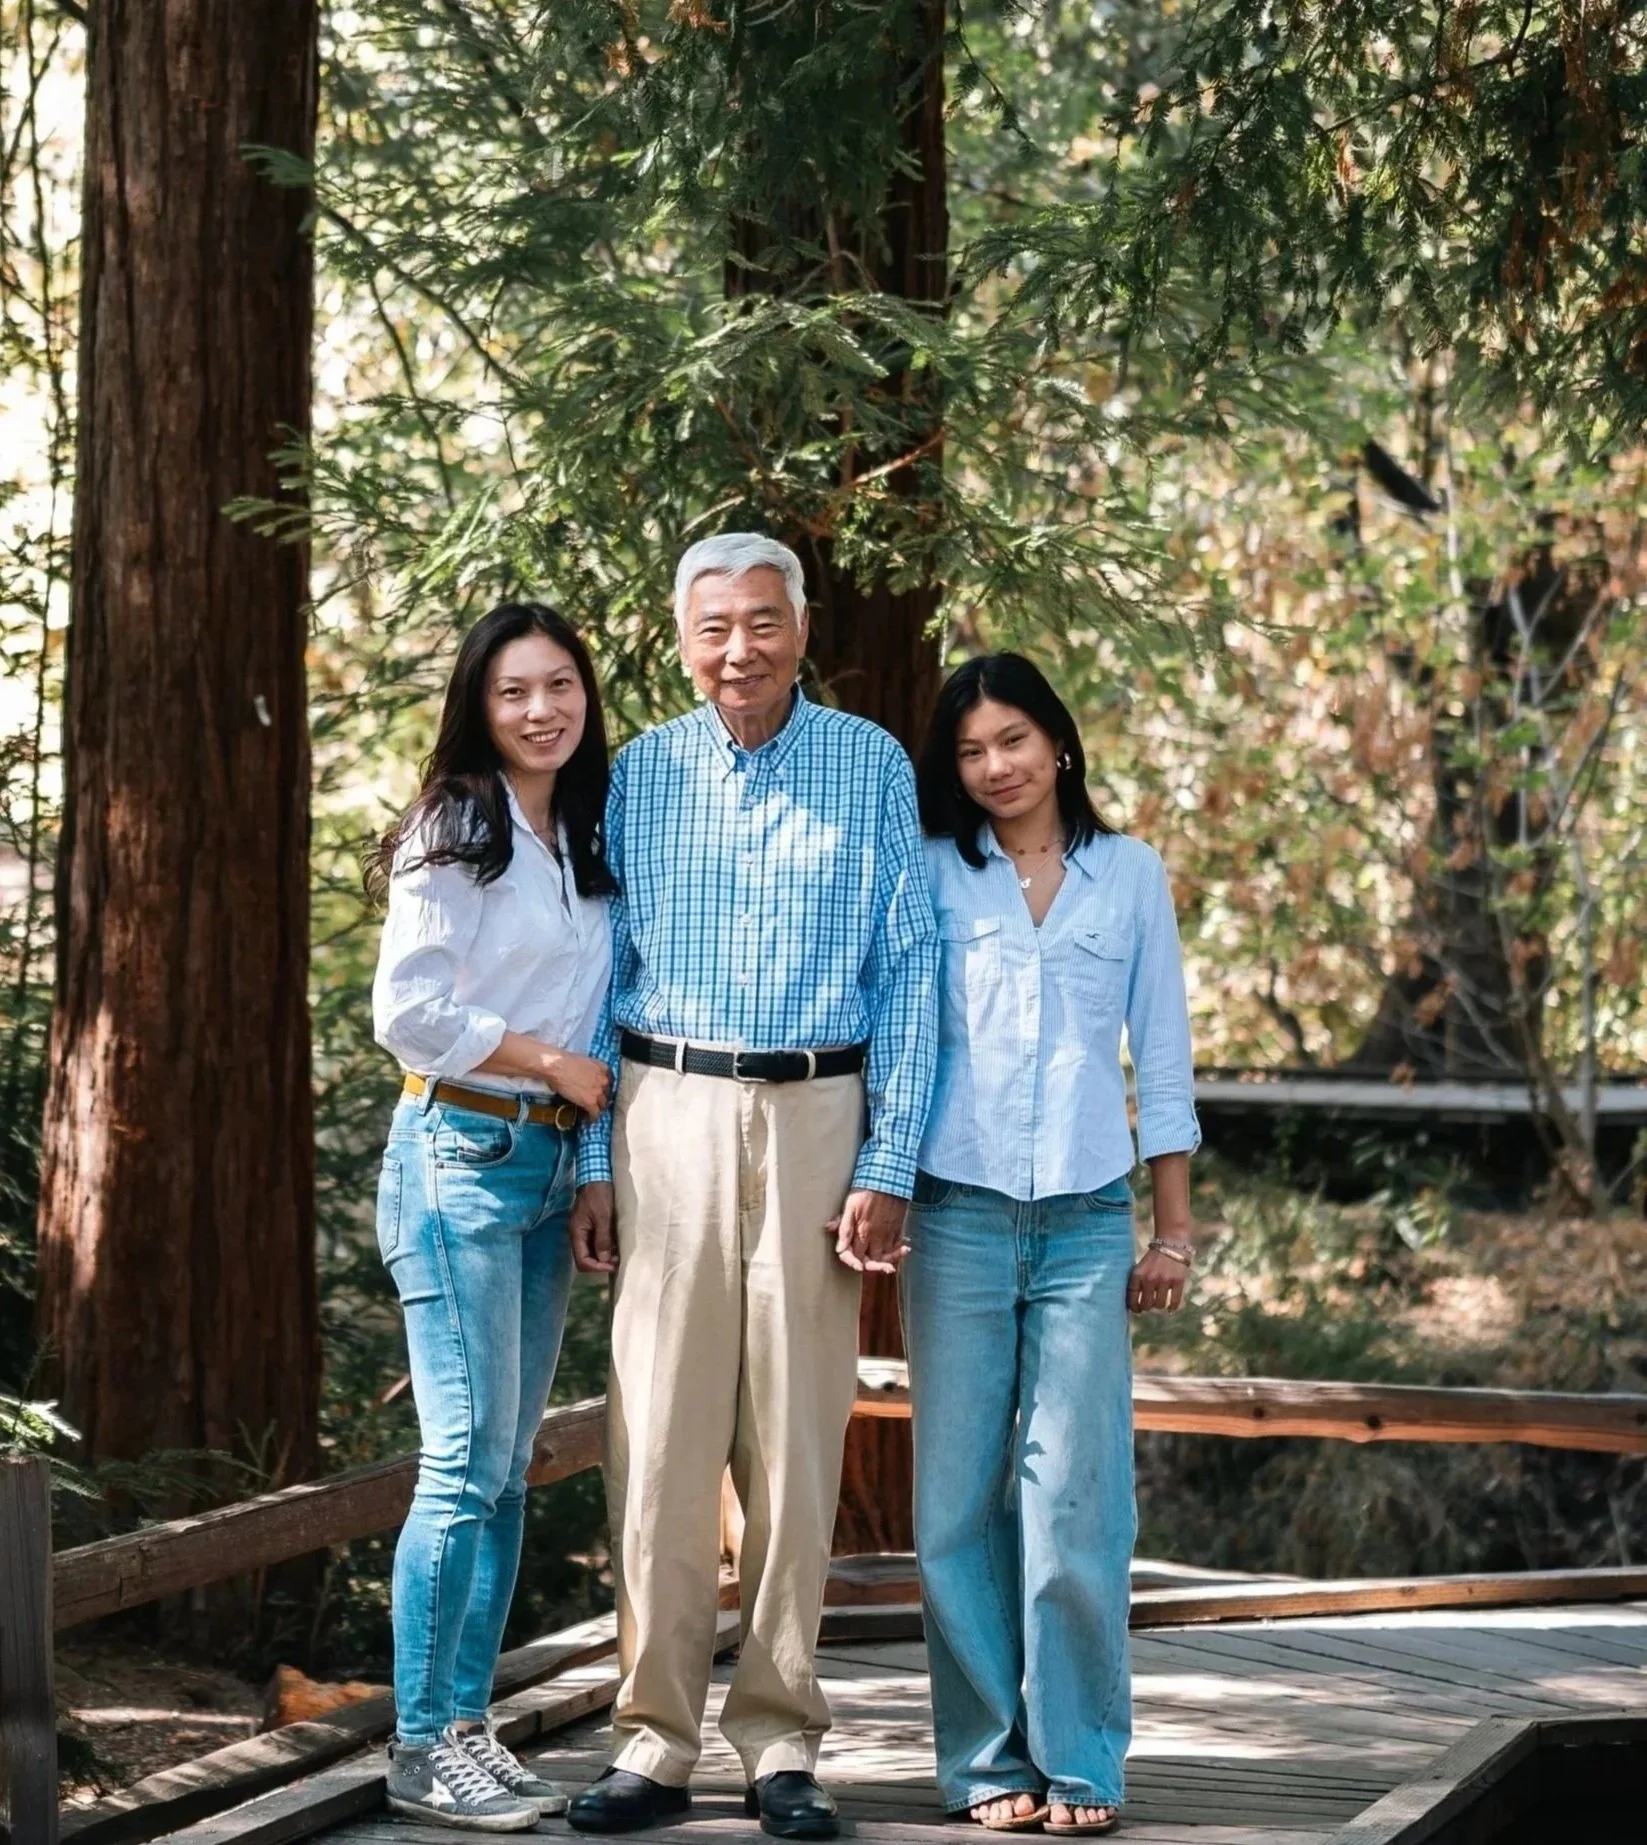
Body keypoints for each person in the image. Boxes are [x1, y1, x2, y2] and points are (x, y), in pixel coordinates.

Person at [564, 534, 939, 1840]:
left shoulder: (870, 764)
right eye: (714, 625)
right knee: (658, 1440)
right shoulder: (636, 774)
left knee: (794, 1437)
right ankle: (649, 1740)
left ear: (800, 625)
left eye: (762, 622)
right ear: (679, 635)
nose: (740, 648)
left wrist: (888, 1160)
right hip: (664, 1109)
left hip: (821, 1116)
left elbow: (909, 968)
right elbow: (591, 979)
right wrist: (592, 1158)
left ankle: (779, 1740)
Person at [905, 653, 1200, 1838]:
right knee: (954, 1509)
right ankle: (987, 1764)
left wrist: (1172, 1235)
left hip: (1087, 1223)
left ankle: (1081, 1760)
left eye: (1013, 741)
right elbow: (904, 1044)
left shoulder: (1128, 876)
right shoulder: (934, 873)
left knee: (1074, 1502)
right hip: (957, 1215)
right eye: (972, 752)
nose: (995, 769)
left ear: (1059, 744)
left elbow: (1164, 1063)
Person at [369, 602, 617, 1833]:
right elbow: (405, 1012)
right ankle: (419, 1745)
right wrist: (547, 1063)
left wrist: (586, 1164)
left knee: (510, 1471)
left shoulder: (580, 830)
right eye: (516, 690)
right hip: (456, 1150)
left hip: (541, 1168)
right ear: (481, 702)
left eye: (561, 685)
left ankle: (468, 1728)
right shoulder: (454, 825)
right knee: (464, 1462)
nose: (541, 710)